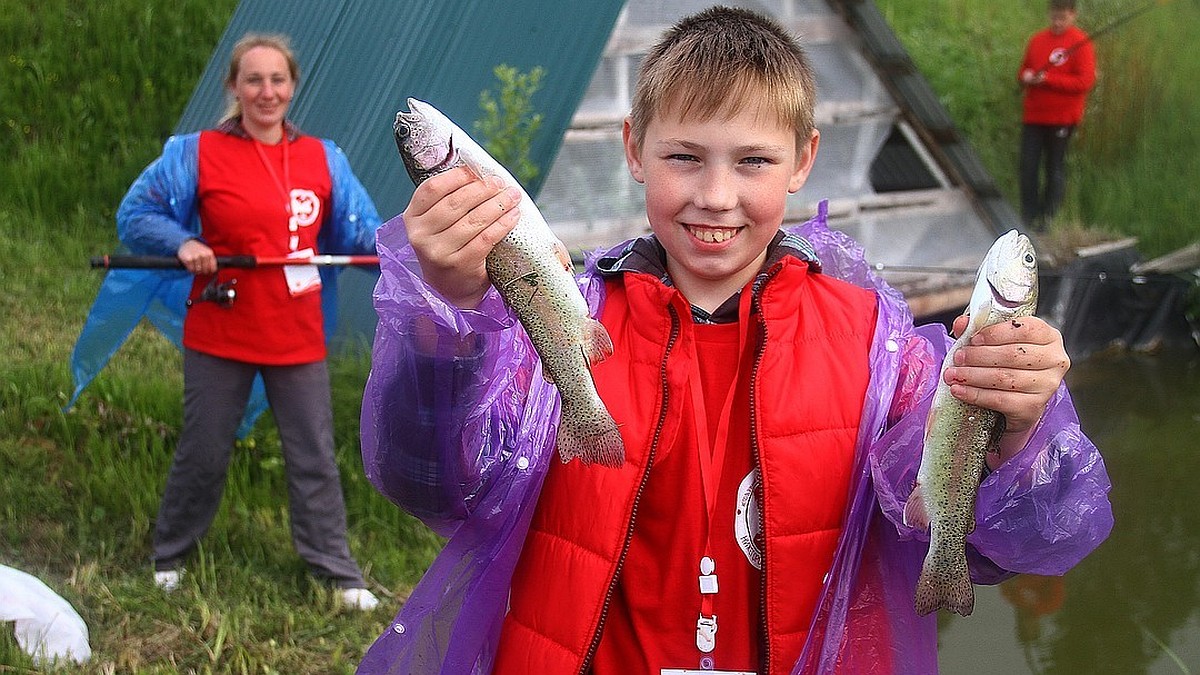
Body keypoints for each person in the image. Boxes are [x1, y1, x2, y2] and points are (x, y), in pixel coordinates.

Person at [358, 6, 1112, 673]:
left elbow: (1009, 544)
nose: (715, 195)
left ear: (804, 160)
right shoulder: (548, 327)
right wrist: (447, 319)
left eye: (753, 160)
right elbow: (428, 480)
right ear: (633, 148)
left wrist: (1016, 430)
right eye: (684, 156)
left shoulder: (882, 349)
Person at [116, 33, 381, 610]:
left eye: (278, 80)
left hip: (297, 333)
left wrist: (418, 243)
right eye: (254, 80)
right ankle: (171, 555)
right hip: (220, 327)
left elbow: (364, 235)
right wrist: (182, 241)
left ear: (293, 86)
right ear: (233, 87)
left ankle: (336, 571)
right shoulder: (195, 152)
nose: (267, 92)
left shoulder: (323, 157)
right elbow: (136, 214)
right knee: (205, 449)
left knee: (313, 454)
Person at [1017, 0, 1097, 230]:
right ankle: (1028, 216)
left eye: (1062, 17)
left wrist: (1048, 80)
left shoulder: (1081, 43)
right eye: (1054, 16)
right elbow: (1023, 70)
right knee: (1028, 166)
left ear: (1073, 15)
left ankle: (1048, 218)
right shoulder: (1037, 40)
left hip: (1062, 118)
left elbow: (1084, 81)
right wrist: (1026, 76)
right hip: (1033, 116)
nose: (1058, 22)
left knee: (1054, 167)